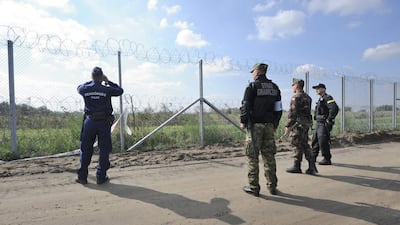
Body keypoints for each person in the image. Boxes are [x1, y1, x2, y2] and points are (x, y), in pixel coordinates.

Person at [240, 63, 283, 197]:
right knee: (269, 156)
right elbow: (279, 109)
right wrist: (274, 124)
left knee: (252, 157)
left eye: (253, 71)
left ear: (258, 72)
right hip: (269, 126)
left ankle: (254, 187)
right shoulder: (275, 88)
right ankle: (272, 186)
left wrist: (243, 121)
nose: (252, 74)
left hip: (255, 126)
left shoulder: (252, 86)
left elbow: (245, 106)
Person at [76, 66, 124, 185]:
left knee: (86, 149)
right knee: (104, 149)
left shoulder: (85, 89)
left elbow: (79, 88)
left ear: (92, 76)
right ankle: (101, 177)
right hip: (104, 122)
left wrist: (92, 82)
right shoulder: (106, 89)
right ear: (102, 76)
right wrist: (107, 82)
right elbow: (119, 90)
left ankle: (82, 177)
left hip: (89, 121)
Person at [285, 78, 317, 175]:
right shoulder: (308, 97)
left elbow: (292, 114)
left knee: (296, 144)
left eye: (293, 85)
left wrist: (288, 128)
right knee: (305, 144)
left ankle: (297, 166)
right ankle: (312, 166)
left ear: (297, 86)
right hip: (306, 124)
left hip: (298, 125)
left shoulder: (296, 97)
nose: (292, 87)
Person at [311, 83, 339, 165]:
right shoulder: (321, 99)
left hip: (324, 124)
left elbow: (334, 108)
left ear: (323, 89)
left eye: (318, 88)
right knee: (315, 140)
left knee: (322, 140)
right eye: (316, 89)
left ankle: (327, 159)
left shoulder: (328, 98)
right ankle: (313, 156)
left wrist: (329, 119)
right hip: (319, 123)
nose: (316, 90)